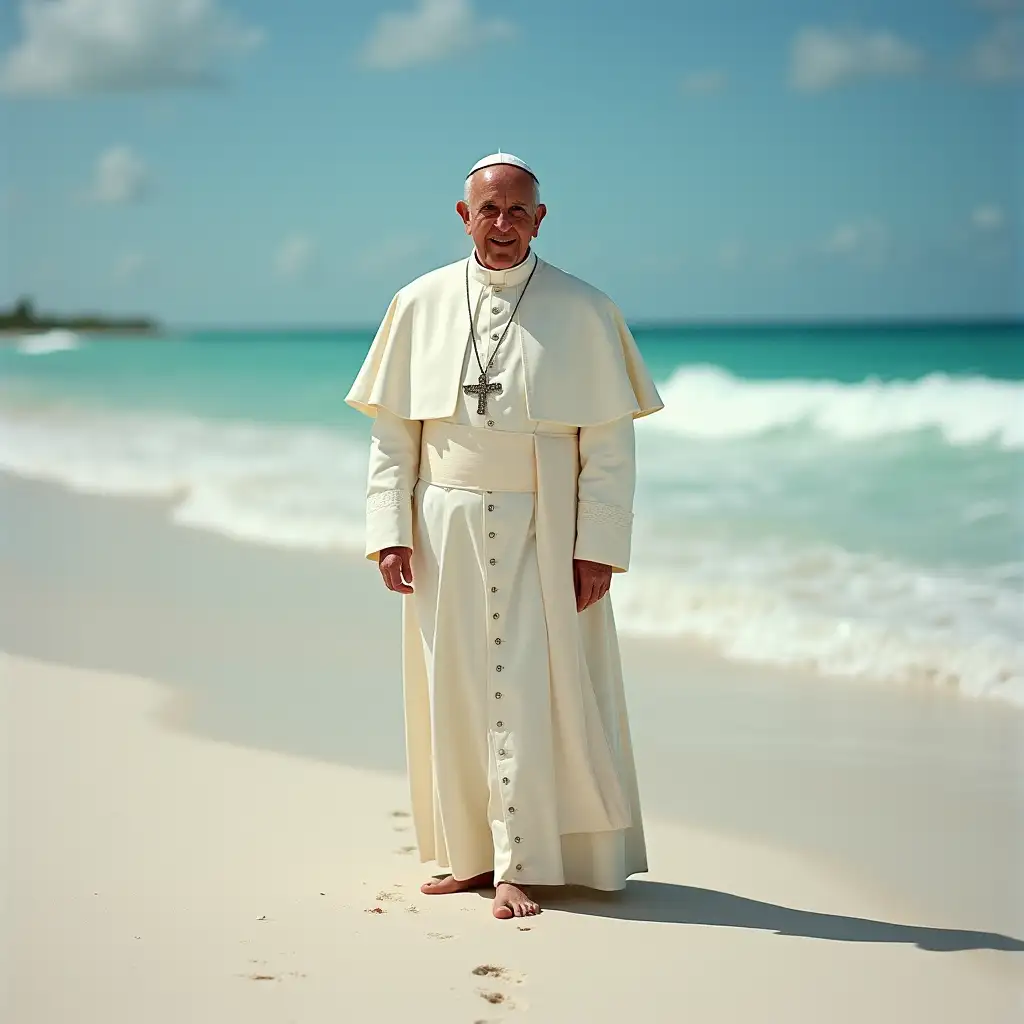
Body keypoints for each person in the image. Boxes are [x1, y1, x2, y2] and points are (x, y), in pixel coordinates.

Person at [345, 152, 663, 920]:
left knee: (535, 687)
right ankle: (468, 857)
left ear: (540, 218)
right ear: (463, 216)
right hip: (443, 523)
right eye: (488, 210)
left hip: (544, 526)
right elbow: (394, 439)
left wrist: (599, 546)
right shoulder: (417, 303)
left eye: (518, 210)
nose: (502, 224)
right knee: (450, 685)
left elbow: (610, 449)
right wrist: (389, 532)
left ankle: (524, 863)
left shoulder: (584, 310)